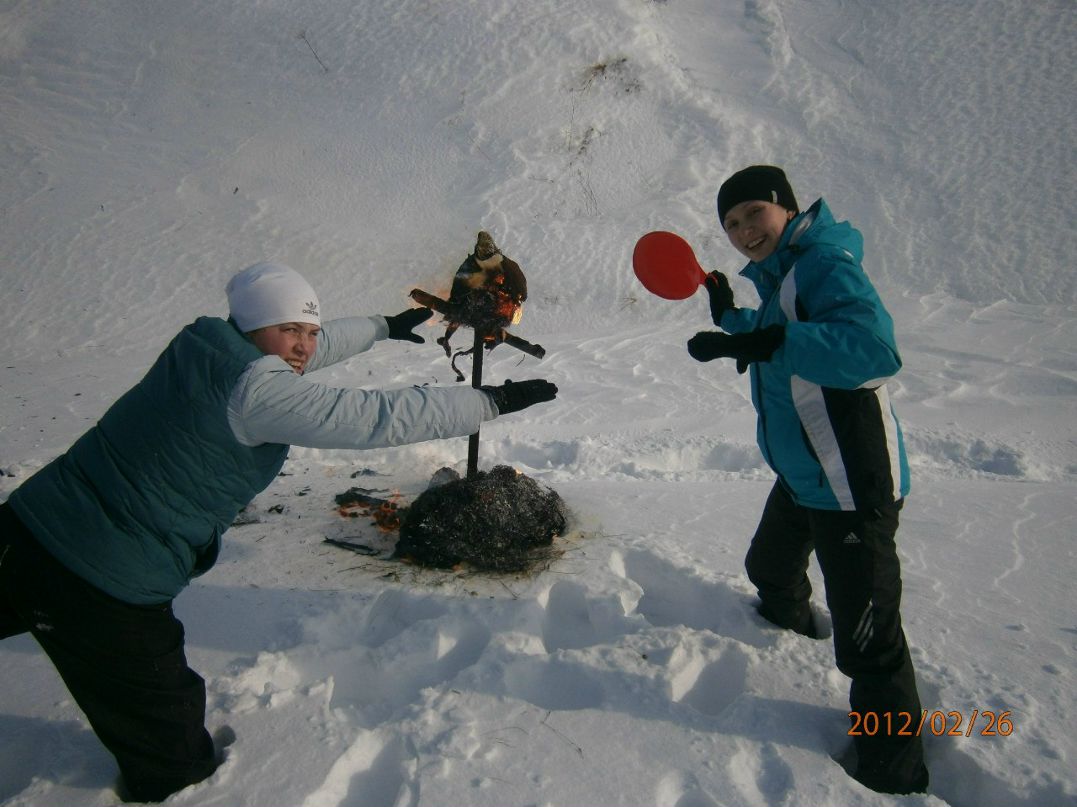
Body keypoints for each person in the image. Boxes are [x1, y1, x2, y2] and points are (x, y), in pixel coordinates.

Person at [0, 261, 557, 802]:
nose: (304, 346)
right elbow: (372, 417)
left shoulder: (203, 344)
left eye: (310, 331)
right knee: (170, 751)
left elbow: (292, 351)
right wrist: (489, 400)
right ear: (253, 325)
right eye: (291, 329)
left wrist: (381, 327)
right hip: (101, 579)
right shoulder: (258, 394)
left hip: (26, 524)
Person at [686, 166, 929, 795]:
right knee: (769, 569)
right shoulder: (782, 275)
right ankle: (784, 643)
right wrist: (733, 319)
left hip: (851, 486)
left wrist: (772, 341)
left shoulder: (822, 262)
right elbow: (784, 328)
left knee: (869, 646)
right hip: (804, 476)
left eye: (754, 213)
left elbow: (873, 351)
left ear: (787, 209)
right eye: (731, 223)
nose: (744, 231)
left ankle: (893, 772)